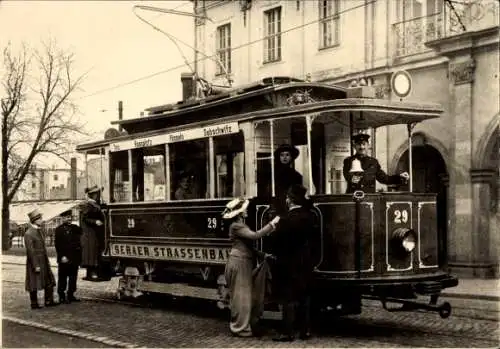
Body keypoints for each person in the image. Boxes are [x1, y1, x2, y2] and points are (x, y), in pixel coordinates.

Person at [222, 198, 280, 337]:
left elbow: (248, 247)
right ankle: (240, 328)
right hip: (239, 263)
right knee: (241, 297)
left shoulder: (240, 225)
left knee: (244, 296)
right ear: (240, 213)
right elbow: (255, 236)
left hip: (242, 262)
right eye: (244, 210)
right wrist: (272, 223)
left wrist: (263, 255)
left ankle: (244, 325)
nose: (246, 211)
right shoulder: (237, 226)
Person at [270, 184, 316, 342]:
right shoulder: (309, 216)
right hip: (306, 260)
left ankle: (287, 332)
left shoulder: (286, 219)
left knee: (288, 297)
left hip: (288, 261)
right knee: (304, 296)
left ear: (289, 200)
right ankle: (305, 331)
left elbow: (276, 241)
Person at [343, 133, 409, 193]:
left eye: (364, 144)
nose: (362, 147)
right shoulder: (348, 161)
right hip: (353, 197)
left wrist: (400, 177)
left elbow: (384, 179)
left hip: (369, 198)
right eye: (359, 144)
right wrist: (352, 178)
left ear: (368, 146)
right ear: (355, 146)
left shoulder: (373, 162)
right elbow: (347, 175)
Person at [24, 209, 58, 309]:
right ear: (35, 220)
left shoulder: (39, 231)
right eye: (40, 219)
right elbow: (31, 251)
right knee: (33, 282)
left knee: (49, 280)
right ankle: (34, 303)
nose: (42, 220)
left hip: (43, 261)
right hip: (35, 262)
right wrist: (36, 265)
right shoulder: (29, 233)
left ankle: (48, 300)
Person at [55, 210, 82, 303]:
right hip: (64, 258)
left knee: (73, 278)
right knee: (62, 278)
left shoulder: (75, 228)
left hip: (74, 258)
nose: (69, 219)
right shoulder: (58, 230)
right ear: (62, 219)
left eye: (70, 217)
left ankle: (71, 294)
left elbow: (81, 235)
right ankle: (61, 296)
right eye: (67, 217)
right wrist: (62, 256)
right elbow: (57, 245)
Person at [80, 185, 105, 280]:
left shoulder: (94, 204)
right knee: (92, 253)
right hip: (90, 233)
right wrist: (95, 222)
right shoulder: (88, 205)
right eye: (96, 194)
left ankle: (94, 272)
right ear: (92, 195)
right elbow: (85, 218)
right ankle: (91, 273)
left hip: (95, 232)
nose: (98, 195)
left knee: (95, 253)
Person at [273, 144, 303, 213]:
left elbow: (297, 194)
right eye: (282, 155)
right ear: (279, 157)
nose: (284, 157)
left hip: (290, 205)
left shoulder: (297, 176)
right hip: (276, 204)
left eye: (287, 155)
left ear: (291, 157)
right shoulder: (273, 173)